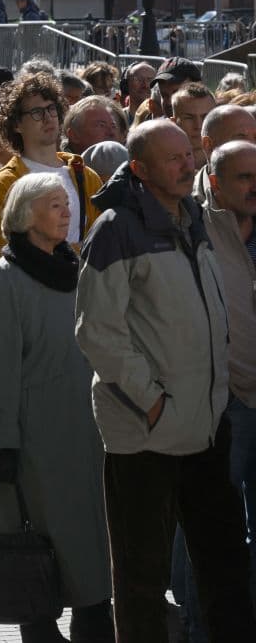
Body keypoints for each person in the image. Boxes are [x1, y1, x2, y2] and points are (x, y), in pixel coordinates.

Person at [76, 120, 256, 640]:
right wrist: (153, 404)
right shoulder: (114, 228)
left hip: (205, 424)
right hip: (145, 433)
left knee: (223, 564)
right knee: (142, 578)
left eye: (188, 154)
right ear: (140, 168)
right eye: (173, 157)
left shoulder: (193, 216)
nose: (187, 164)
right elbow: (98, 333)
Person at [0, 173, 113, 642]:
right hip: (36, 443)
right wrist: (1, 447)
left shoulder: (76, 268)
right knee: (39, 549)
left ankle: (94, 622)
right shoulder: (8, 279)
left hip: (87, 434)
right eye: (54, 204)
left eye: (67, 204)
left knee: (91, 546)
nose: (66, 212)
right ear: (24, 214)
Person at [201, 141, 256, 607]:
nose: (255, 186)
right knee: (209, 524)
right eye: (244, 177)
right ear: (215, 182)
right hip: (222, 402)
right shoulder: (193, 229)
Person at [0, 73, 103, 257]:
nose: (48, 117)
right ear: (16, 124)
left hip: (83, 285)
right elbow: (9, 253)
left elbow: (102, 245)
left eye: (51, 109)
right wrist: (75, 253)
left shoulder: (86, 176)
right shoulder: (6, 183)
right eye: (37, 113)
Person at [170, 83, 217, 169]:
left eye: (205, 117)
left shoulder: (230, 165)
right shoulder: (162, 167)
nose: (198, 125)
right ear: (173, 122)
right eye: (189, 118)